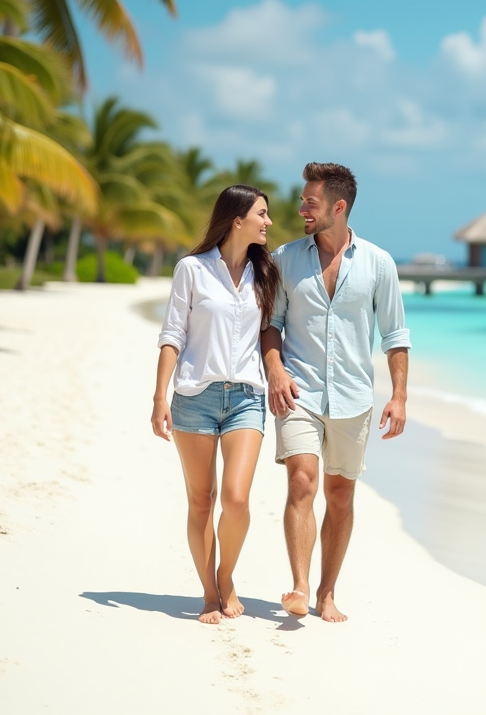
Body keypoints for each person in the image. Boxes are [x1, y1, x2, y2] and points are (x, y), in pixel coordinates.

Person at [262, 162, 411, 623]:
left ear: (337, 207)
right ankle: (301, 586)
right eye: (303, 200)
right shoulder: (286, 258)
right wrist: (276, 371)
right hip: (299, 391)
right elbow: (271, 326)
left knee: (341, 495)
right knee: (302, 481)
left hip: (353, 397)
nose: (301, 208)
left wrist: (399, 396)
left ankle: (327, 592)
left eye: (311, 202)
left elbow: (395, 335)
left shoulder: (378, 263)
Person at [151, 184, 279, 624]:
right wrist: (158, 397)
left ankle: (226, 576)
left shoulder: (267, 274)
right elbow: (173, 335)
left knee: (237, 499)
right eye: (262, 214)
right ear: (237, 219)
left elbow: (271, 333)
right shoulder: (192, 269)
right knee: (201, 501)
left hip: (246, 397)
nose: (268, 222)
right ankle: (210, 595)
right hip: (194, 397)